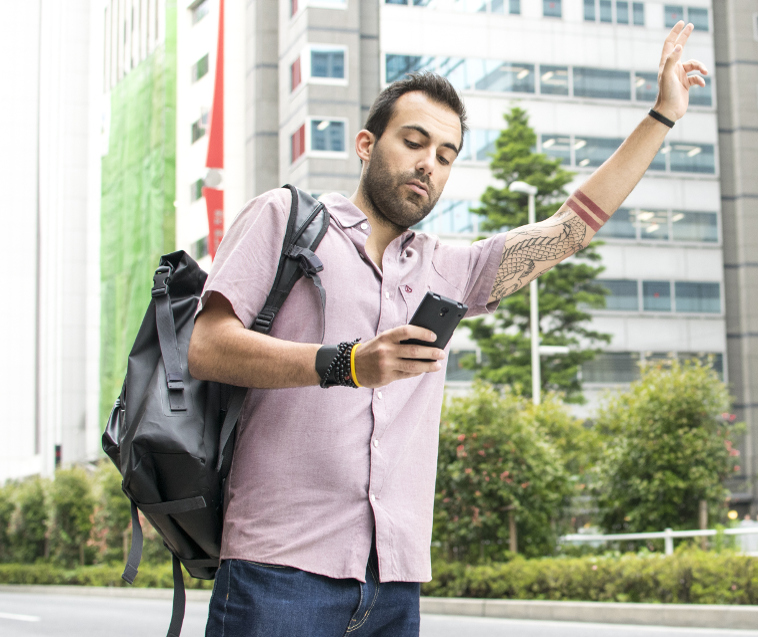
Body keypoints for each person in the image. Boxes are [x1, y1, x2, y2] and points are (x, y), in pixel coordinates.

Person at [188, 21, 707, 637]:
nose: (428, 165)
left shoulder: (446, 269)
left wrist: (662, 116)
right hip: (279, 570)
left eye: (445, 155)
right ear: (365, 143)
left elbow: (571, 229)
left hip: (393, 580)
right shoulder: (286, 218)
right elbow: (206, 346)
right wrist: (346, 363)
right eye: (413, 142)